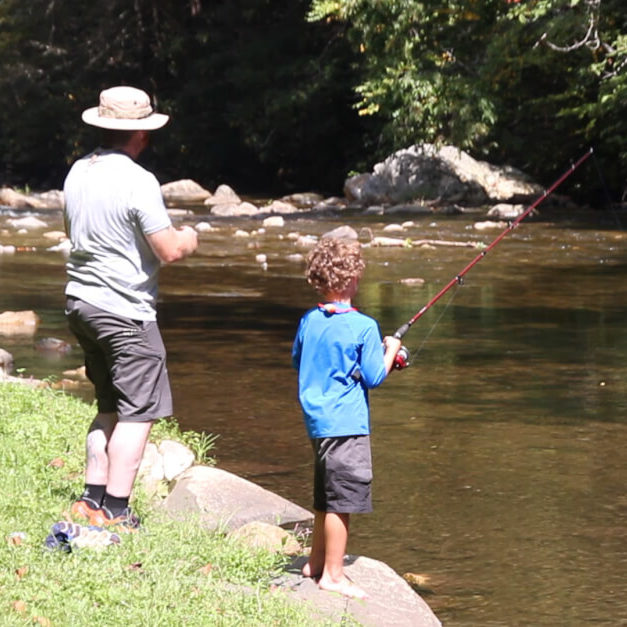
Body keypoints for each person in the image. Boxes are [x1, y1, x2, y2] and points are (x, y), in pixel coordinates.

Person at [63, 86, 198, 530]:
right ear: (141, 134)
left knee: (108, 406)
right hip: (125, 312)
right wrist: (190, 237)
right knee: (138, 414)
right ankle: (117, 511)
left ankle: (89, 500)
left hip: (81, 304)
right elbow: (168, 250)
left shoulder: (77, 172)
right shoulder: (139, 181)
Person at [291, 237, 401, 599]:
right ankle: (334, 576)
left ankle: (316, 561)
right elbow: (375, 376)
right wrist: (392, 350)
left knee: (325, 494)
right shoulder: (364, 327)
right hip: (347, 425)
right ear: (353, 280)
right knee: (343, 501)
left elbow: (299, 359)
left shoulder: (309, 320)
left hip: (317, 423)